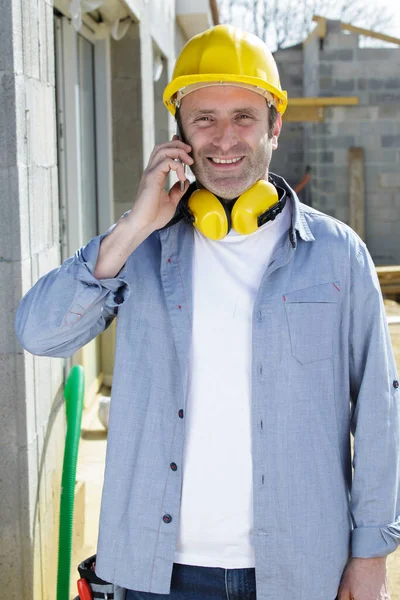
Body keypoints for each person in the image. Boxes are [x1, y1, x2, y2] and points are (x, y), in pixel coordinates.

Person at [15, 24, 400, 600]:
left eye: (244, 116)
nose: (225, 138)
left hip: (299, 569)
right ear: (179, 135)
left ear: (275, 124)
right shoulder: (139, 245)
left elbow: (378, 410)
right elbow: (39, 334)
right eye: (204, 119)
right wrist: (133, 226)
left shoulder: (339, 255)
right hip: (153, 572)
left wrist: (371, 555)